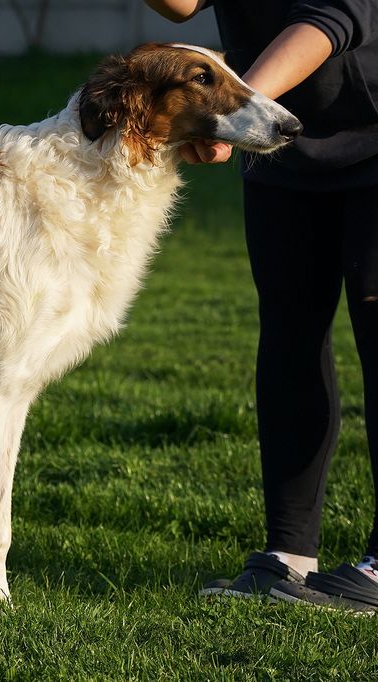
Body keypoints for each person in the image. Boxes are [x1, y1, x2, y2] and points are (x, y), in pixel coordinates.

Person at [145, 0, 378, 611]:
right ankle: (289, 554)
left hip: (366, 130)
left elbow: (334, 17)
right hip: (282, 146)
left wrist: (234, 110)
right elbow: (181, 5)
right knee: (289, 339)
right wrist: (242, 114)